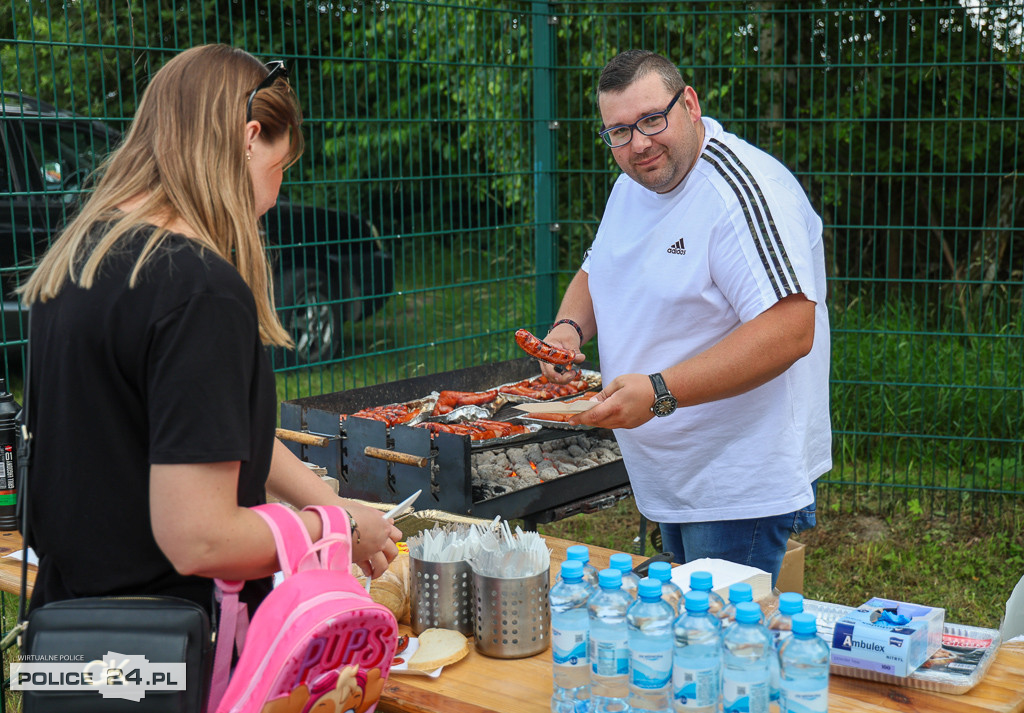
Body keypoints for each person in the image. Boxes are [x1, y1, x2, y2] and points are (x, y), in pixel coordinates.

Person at [18, 44, 401, 616]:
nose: (272, 199)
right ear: (249, 139)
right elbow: (199, 538)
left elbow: (211, 435)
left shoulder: (83, 258)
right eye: (279, 166)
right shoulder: (199, 290)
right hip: (168, 656)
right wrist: (332, 526)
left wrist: (331, 501)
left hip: (72, 631)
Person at [541, 50, 831, 586]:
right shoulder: (635, 181)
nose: (639, 143)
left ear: (690, 104)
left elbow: (791, 330)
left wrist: (657, 392)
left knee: (717, 651)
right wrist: (569, 329)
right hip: (670, 473)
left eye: (653, 120)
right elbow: (597, 268)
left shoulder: (739, 191)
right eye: (619, 132)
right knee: (683, 641)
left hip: (735, 483)